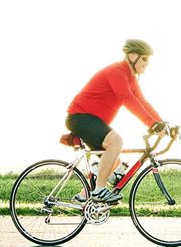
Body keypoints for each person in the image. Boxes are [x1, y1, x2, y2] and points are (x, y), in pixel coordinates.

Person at [66, 39, 166, 204]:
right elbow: (127, 99)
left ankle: (83, 197)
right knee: (116, 142)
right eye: (145, 59)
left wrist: (161, 123)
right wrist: (151, 124)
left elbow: (142, 102)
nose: (147, 64)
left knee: (113, 162)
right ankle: (98, 191)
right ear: (133, 56)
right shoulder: (117, 72)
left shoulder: (130, 78)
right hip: (80, 117)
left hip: (91, 120)